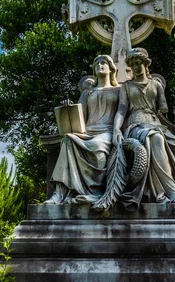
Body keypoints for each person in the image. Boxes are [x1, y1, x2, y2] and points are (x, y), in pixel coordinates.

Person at [93, 48, 175, 211]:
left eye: (138, 63)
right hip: (135, 126)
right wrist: (117, 130)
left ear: (146, 64)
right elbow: (121, 110)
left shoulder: (156, 85)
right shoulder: (126, 87)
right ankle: (171, 191)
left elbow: (162, 108)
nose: (135, 67)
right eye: (132, 64)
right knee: (155, 138)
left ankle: (165, 189)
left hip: (154, 124)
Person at [45, 55, 120, 204]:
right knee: (67, 140)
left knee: (97, 145)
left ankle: (97, 192)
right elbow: (80, 115)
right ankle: (59, 194)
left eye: (104, 62)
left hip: (107, 131)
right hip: (88, 131)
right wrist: (68, 107)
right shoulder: (87, 93)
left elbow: (123, 113)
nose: (100, 65)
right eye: (97, 63)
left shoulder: (119, 90)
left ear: (111, 68)